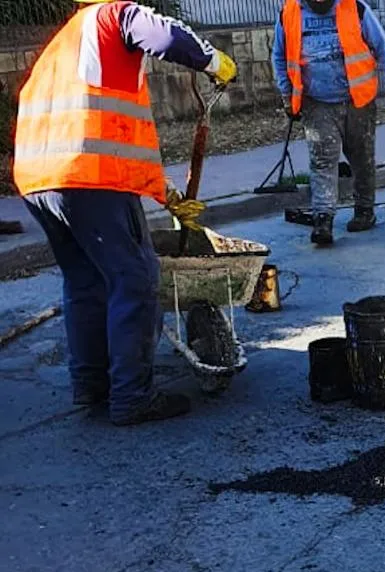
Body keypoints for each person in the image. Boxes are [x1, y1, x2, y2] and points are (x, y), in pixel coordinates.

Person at [12, 0, 236, 426]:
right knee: (133, 279)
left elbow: (104, 131)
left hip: (41, 180)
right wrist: (212, 60)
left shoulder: (65, 43)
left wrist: (164, 194)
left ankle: (92, 386)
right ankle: (133, 396)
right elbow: (167, 36)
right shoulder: (115, 15)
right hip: (88, 180)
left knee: (86, 283)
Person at [272, 0, 385, 246]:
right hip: (317, 102)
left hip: (357, 101)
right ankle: (323, 219)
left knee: (362, 158)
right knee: (322, 160)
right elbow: (279, 56)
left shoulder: (355, 8)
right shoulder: (290, 13)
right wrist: (287, 95)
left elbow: (383, 49)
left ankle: (364, 210)